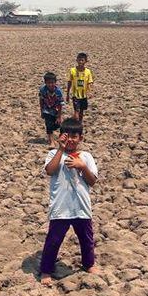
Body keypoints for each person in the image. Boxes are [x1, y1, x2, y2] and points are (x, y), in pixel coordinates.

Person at [38, 118, 99, 285]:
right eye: (67, 135)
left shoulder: (86, 156)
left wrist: (82, 166)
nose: (71, 139)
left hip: (81, 206)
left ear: (81, 138)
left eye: (75, 136)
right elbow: (50, 171)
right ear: (61, 136)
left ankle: (89, 263)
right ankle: (46, 270)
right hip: (61, 207)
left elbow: (92, 181)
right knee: (54, 240)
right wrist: (60, 149)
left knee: (86, 238)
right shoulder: (54, 154)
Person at [38, 71, 64, 148]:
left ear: (55, 82)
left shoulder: (58, 91)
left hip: (55, 110)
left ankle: (60, 138)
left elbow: (60, 104)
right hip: (46, 110)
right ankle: (51, 141)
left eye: (52, 83)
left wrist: (59, 116)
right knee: (48, 125)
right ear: (45, 83)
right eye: (48, 83)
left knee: (58, 125)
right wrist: (41, 111)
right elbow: (41, 100)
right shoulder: (43, 90)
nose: (50, 85)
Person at [67, 52, 94, 121]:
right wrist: (67, 93)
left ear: (86, 61)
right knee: (76, 111)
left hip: (84, 96)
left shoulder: (88, 71)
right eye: (79, 60)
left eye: (82, 60)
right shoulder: (72, 70)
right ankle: (76, 123)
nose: (80, 62)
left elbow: (89, 83)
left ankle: (79, 124)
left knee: (81, 111)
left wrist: (90, 92)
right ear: (76, 60)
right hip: (75, 95)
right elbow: (69, 82)